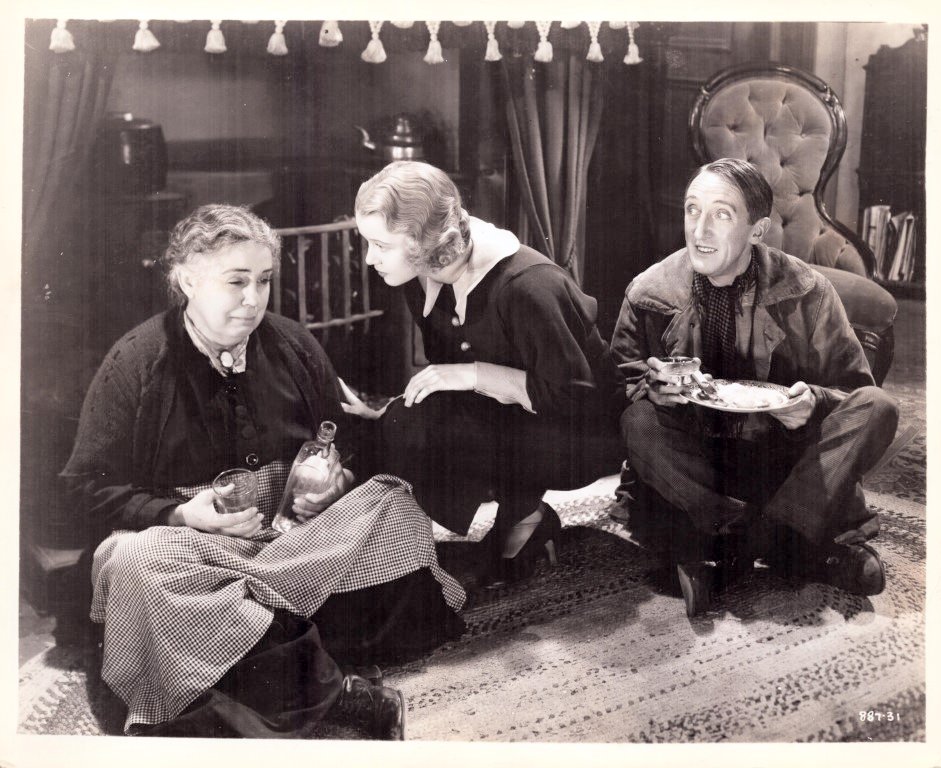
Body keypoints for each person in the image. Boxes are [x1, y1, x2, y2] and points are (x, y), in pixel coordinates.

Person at [59, 204, 466, 738]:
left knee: (394, 503)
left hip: (296, 544)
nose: (253, 299)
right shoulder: (135, 361)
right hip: (195, 549)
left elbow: (347, 443)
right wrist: (181, 514)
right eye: (236, 281)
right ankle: (334, 692)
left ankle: (251, 651)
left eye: (264, 280)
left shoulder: (294, 343)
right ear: (187, 280)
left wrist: (337, 482)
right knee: (135, 561)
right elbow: (82, 490)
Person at [610, 158, 899, 617]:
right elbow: (615, 392)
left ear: (758, 230)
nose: (700, 230)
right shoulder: (649, 292)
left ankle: (738, 547)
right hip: (697, 470)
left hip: (783, 462)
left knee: (879, 406)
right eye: (692, 209)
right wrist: (652, 389)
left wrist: (812, 404)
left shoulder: (808, 291)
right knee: (638, 420)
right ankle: (784, 540)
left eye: (721, 214)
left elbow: (854, 392)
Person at [344, 161, 625, 586]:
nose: (369, 258)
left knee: (416, 428)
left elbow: (579, 398)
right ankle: (518, 516)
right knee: (403, 423)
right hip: (518, 415)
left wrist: (474, 374)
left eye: (381, 245)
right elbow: (449, 378)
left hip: (584, 433)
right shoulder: (419, 275)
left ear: (427, 241)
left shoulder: (528, 286)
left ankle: (522, 514)